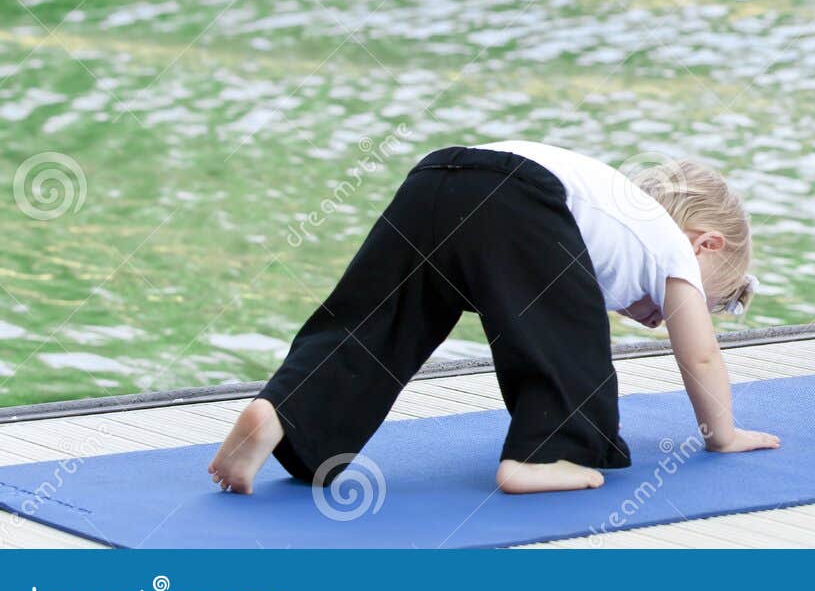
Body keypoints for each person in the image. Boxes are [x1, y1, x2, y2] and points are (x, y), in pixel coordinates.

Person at [207, 143, 778, 495]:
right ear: (706, 243)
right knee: (570, 340)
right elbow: (700, 355)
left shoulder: (611, 213)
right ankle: (545, 454)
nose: (666, 319)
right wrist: (722, 435)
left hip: (435, 177)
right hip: (517, 195)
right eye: (712, 302)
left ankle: (283, 413)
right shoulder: (672, 248)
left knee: (379, 323)